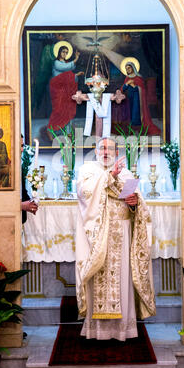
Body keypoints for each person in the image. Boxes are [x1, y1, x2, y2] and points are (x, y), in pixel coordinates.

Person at [75, 136, 156, 341]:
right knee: (98, 279)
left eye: (110, 148)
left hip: (122, 232)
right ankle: (97, 330)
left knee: (122, 279)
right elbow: (84, 193)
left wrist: (134, 202)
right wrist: (110, 176)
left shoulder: (127, 173)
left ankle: (123, 330)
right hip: (99, 236)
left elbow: (138, 203)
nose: (105, 151)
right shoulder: (87, 171)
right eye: (102, 148)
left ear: (116, 152)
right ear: (95, 151)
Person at [48, 42, 84, 135]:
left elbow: (69, 76)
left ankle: (68, 132)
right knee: (59, 110)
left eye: (66, 52)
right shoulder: (57, 63)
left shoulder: (66, 63)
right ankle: (52, 130)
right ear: (59, 52)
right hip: (58, 91)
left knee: (68, 110)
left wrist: (76, 75)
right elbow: (65, 71)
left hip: (66, 91)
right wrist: (76, 59)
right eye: (63, 52)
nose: (65, 54)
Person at [120, 59, 161, 135]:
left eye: (129, 68)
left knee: (135, 113)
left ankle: (138, 129)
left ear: (133, 68)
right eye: (126, 69)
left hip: (137, 99)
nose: (128, 70)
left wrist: (135, 86)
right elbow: (122, 89)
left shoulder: (138, 78)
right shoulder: (127, 78)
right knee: (129, 114)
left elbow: (142, 89)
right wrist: (127, 83)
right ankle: (131, 129)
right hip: (129, 99)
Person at [21, 134, 38, 223]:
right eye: (20, 146)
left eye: (23, 146)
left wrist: (31, 203)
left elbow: (22, 191)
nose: (22, 150)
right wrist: (21, 205)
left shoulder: (18, 168)